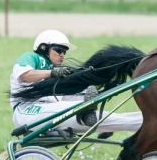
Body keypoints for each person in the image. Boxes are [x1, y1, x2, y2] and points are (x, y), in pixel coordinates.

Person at [10, 29, 143, 135]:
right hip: (26, 111)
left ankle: (153, 122)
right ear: (44, 47)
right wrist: (51, 73)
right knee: (65, 108)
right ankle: (84, 111)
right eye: (58, 50)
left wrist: (103, 91)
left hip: (52, 114)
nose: (62, 54)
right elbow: (24, 75)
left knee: (109, 118)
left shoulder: (57, 70)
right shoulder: (31, 57)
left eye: (64, 51)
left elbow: (70, 94)